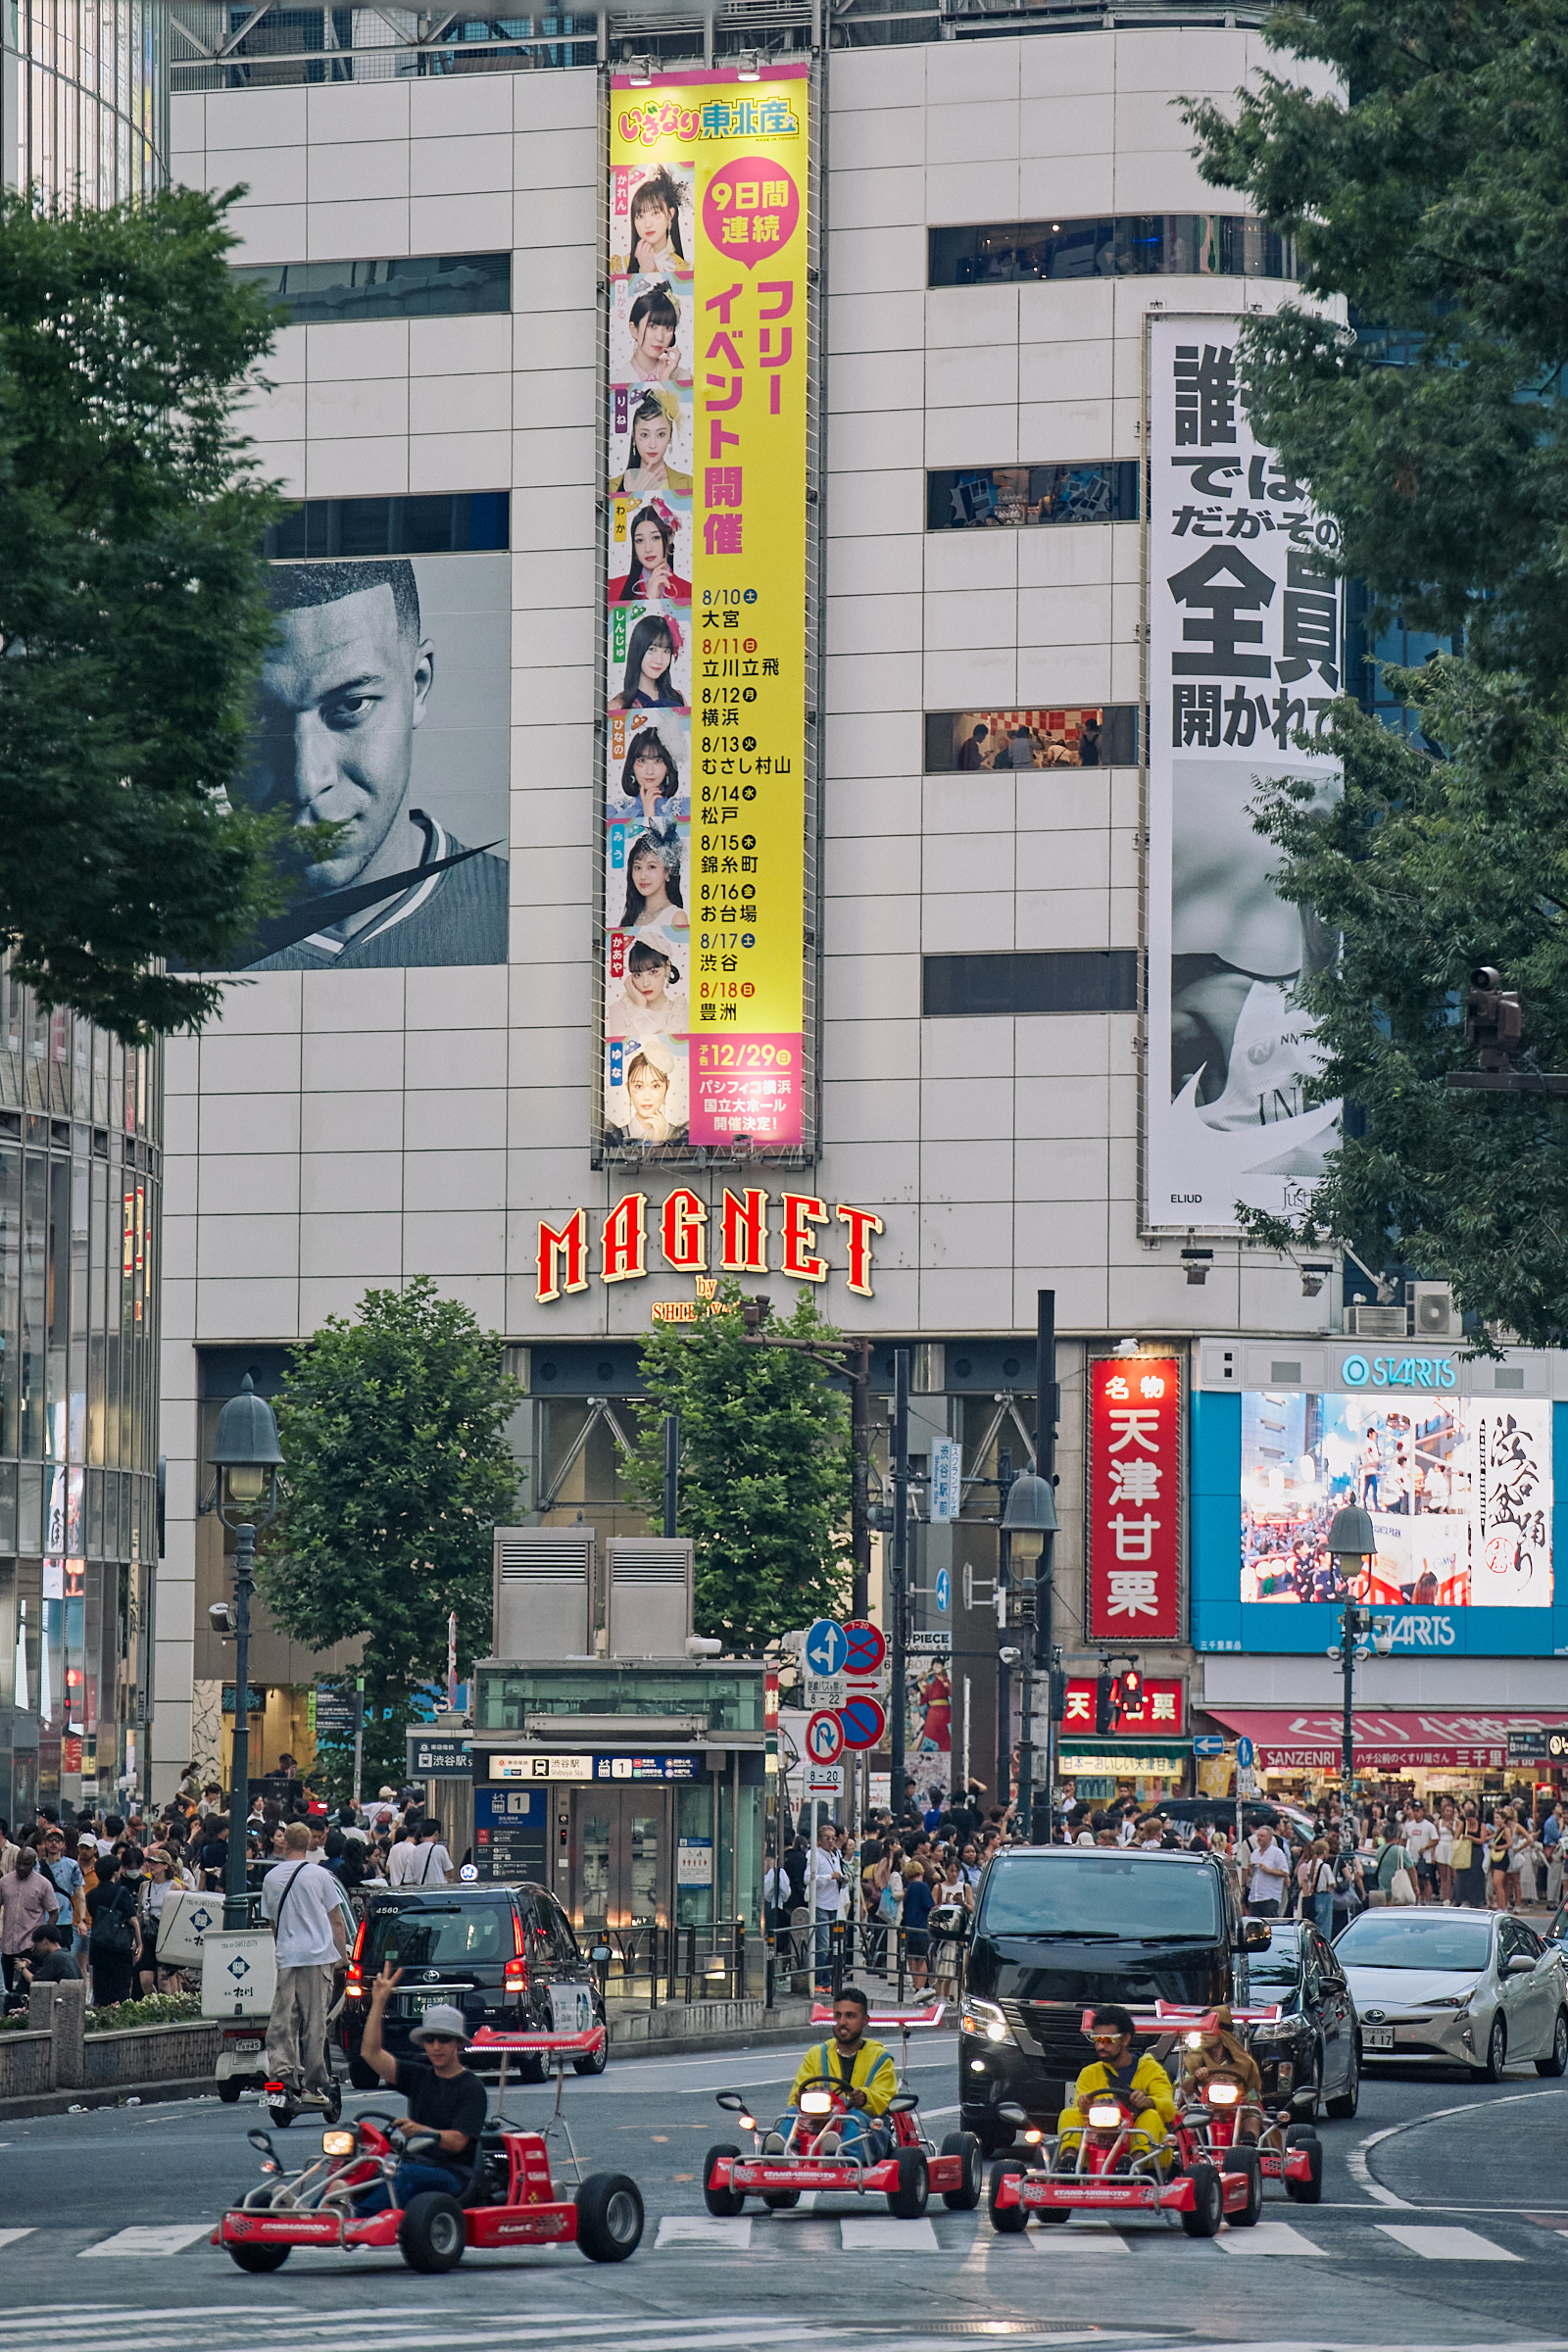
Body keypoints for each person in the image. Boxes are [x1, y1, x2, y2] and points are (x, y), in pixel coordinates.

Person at [236, 560, 509, 972]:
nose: (306, 780)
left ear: (417, 685)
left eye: (351, 705)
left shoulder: (528, 918)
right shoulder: (148, 943)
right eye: (254, 718)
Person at [353, 1969, 489, 2214]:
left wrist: (421, 2131)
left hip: (454, 2173)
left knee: (407, 2175)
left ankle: (354, 2216)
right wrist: (379, 2001)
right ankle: (310, 2214)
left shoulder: (471, 2087)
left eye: (444, 2040)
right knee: (361, 2166)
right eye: (430, 2040)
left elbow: (459, 2142)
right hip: (413, 2163)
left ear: (457, 2043)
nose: (436, 2047)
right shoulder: (419, 2076)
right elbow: (370, 2054)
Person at [262, 1822, 350, 2101]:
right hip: (319, 1956)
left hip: (288, 1957)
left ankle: (283, 2075)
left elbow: (273, 1924)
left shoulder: (271, 1878)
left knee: (284, 2021)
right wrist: (342, 1956)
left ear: (284, 1843)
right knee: (315, 2023)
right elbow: (336, 1921)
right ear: (311, 1842)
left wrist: (284, 1948)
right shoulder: (321, 1876)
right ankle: (315, 2080)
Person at [766, 1986, 896, 2158]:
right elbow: (796, 2098)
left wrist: (864, 2098)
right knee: (791, 2115)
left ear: (865, 2020)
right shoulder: (816, 2054)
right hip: (818, 2120)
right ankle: (783, 2153)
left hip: (865, 2123)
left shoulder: (880, 2058)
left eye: (850, 2016)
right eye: (838, 2016)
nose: (842, 2022)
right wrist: (801, 2098)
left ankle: (839, 2156)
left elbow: (885, 2099)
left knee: (853, 2119)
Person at [1056, 2005, 1178, 2166]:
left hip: (1142, 2151)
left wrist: (1149, 2102)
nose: (1100, 2046)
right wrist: (1084, 2105)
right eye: (1096, 2040)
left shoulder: (1151, 2070)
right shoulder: (1089, 2073)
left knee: (1151, 2116)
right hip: (1098, 2143)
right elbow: (1080, 2107)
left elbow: (1169, 2109)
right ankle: (1068, 2162)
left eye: (1106, 2040)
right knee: (1068, 2114)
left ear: (1125, 2039)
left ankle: (1132, 2166)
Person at [1178, 2005, 1264, 2141]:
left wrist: (1247, 2100)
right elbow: (1183, 2089)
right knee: (1187, 2119)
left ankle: (1250, 2146)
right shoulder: (1193, 2060)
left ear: (1223, 2033)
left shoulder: (1245, 2063)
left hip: (1237, 2111)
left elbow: (1253, 2098)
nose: (1203, 2035)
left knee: (1253, 2119)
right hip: (1202, 2108)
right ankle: (1193, 2150)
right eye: (1202, 2030)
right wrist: (1195, 2077)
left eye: (1209, 2030)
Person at [610, 385, 692, 496]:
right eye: (644, 435)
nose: (652, 445)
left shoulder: (688, 483)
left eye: (661, 434)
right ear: (634, 437)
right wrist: (635, 492)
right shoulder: (613, 485)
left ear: (670, 436)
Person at [85, 1849, 142, 2006]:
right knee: (121, 1989)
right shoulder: (121, 1892)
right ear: (115, 1872)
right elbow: (133, 1920)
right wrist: (139, 1942)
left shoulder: (91, 1895)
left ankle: (101, 2021)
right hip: (120, 1947)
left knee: (101, 1989)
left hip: (98, 1946)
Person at [0, 1845, 59, 1993]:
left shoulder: (43, 1884)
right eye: (18, 1863)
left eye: (26, 1864)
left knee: (27, 1989)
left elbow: (53, 1912)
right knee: (7, 1990)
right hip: (8, 1945)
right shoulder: (5, 1882)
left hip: (30, 1946)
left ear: (34, 1864)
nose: (21, 1867)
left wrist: (41, 1940)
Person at [610, 505, 691, 606]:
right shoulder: (613, 588)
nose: (648, 549)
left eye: (655, 538)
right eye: (639, 540)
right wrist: (649, 600)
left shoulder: (689, 591)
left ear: (670, 537)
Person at [610, 937, 685, 1042]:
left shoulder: (681, 1011)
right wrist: (640, 1006)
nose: (645, 983)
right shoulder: (619, 1010)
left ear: (667, 967)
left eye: (653, 972)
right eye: (638, 975)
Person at [612, 726, 683, 835]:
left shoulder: (683, 810)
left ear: (668, 767)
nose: (650, 771)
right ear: (632, 766)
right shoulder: (617, 813)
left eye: (658, 761)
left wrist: (650, 813)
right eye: (642, 761)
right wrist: (648, 812)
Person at [609, 612, 686, 711]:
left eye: (666, 651)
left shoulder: (678, 698)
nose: (659, 660)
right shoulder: (618, 705)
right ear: (638, 649)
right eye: (652, 649)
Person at [618, 832, 688, 934]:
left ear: (667, 871)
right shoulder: (631, 916)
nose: (643, 876)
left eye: (651, 867)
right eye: (637, 867)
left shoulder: (676, 917)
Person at [625, 167, 689, 277]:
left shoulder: (684, 269)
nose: (647, 224)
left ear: (670, 214)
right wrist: (644, 269)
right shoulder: (619, 266)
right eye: (640, 216)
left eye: (655, 213)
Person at [811, 1822, 846, 1992]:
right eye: (827, 1838)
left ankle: (827, 1980)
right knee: (823, 1945)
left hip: (833, 1903)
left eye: (833, 1838)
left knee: (833, 1944)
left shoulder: (835, 1855)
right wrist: (829, 1877)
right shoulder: (815, 1855)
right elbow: (809, 1878)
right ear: (819, 1840)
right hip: (821, 1903)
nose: (831, 1842)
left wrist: (841, 1879)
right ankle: (818, 1980)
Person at [625, 281, 683, 382]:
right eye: (652, 326)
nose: (660, 338)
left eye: (668, 327)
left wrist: (665, 380)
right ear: (634, 330)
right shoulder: (618, 379)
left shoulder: (684, 377)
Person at [388, 1818, 454, 1888]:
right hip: (438, 1892)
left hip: (421, 1894)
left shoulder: (414, 1851)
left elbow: (408, 1880)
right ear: (436, 1833)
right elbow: (450, 1873)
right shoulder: (440, 1849)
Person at [1246, 1824, 1289, 1918]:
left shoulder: (1277, 1853)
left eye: (1262, 1836)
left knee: (1269, 1926)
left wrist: (1268, 1870)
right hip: (1254, 1897)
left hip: (1269, 1896)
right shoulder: (1254, 1853)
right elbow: (1252, 1875)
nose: (1259, 1838)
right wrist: (1250, 1870)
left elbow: (1285, 1872)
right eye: (1258, 1836)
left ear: (1269, 1838)